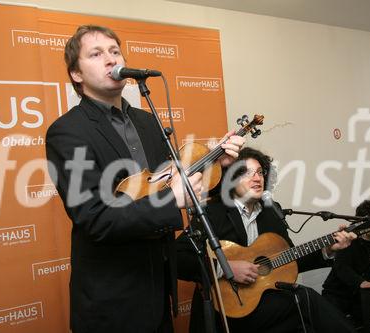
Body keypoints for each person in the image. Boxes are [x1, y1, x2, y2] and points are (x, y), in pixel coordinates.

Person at [45, 25, 245, 333]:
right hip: (111, 300)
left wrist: (214, 161)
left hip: (157, 291)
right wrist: (171, 199)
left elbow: (166, 183)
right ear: (76, 75)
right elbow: (94, 218)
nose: (110, 59)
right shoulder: (68, 132)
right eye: (96, 54)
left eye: (115, 51)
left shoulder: (148, 121)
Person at [177, 147, 357, 332]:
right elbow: (178, 259)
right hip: (225, 311)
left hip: (261, 305)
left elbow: (291, 260)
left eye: (260, 172)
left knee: (303, 318)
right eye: (247, 173)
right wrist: (225, 268)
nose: (257, 178)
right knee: (303, 297)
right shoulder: (212, 213)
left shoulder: (271, 213)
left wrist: (327, 250)